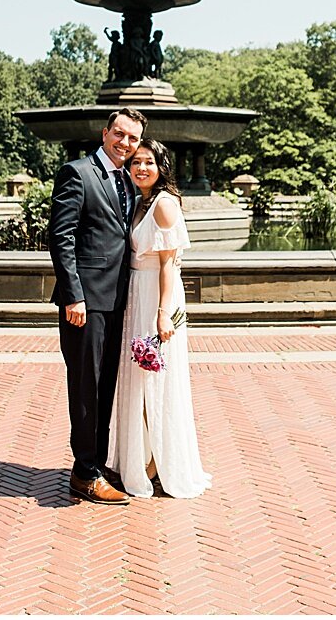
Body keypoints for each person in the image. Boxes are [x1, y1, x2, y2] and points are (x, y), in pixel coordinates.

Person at [49, 107, 147, 505]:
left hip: (117, 300)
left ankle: (96, 462)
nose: (125, 143)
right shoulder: (78, 173)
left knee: (105, 386)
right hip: (85, 303)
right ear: (105, 133)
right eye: (119, 134)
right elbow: (62, 237)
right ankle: (85, 473)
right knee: (87, 386)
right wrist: (74, 295)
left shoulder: (130, 180)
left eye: (133, 138)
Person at [108, 139, 212, 499]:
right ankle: (141, 459)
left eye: (148, 162)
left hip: (157, 295)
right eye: (136, 162)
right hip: (139, 291)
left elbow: (169, 264)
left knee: (155, 380)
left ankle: (156, 465)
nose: (141, 169)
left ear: (161, 166)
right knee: (137, 378)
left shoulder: (164, 205)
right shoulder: (140, 202)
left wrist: (162, 314)